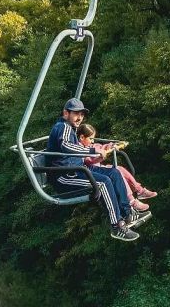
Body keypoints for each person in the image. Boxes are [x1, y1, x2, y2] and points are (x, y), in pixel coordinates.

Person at [46, 98, 148, 242]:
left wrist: (98, 150)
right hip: (63, 176)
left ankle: (127, 213)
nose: (79, 118)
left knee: (114, 173)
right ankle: (117, 226)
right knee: (103, 182)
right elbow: (66, 146)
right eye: (76, 114)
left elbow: (73, 147)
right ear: (65, 113)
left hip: (78, 169)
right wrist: (93, 151)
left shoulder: (70, 128)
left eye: (81, 114)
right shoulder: (63, 127)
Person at [78, 123, 157, 212]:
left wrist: (113, 145)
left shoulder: (92, 145)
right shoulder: (80, 149)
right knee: (116, 172)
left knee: (119, 168)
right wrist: (100, 157)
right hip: (93, 172)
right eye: (90, 138)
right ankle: (131, 201)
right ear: (82, 137)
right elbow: (88, 161)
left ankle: (140, 190)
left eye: (93, 139)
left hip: (100, 168)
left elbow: (103, 146)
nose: (92, 141)